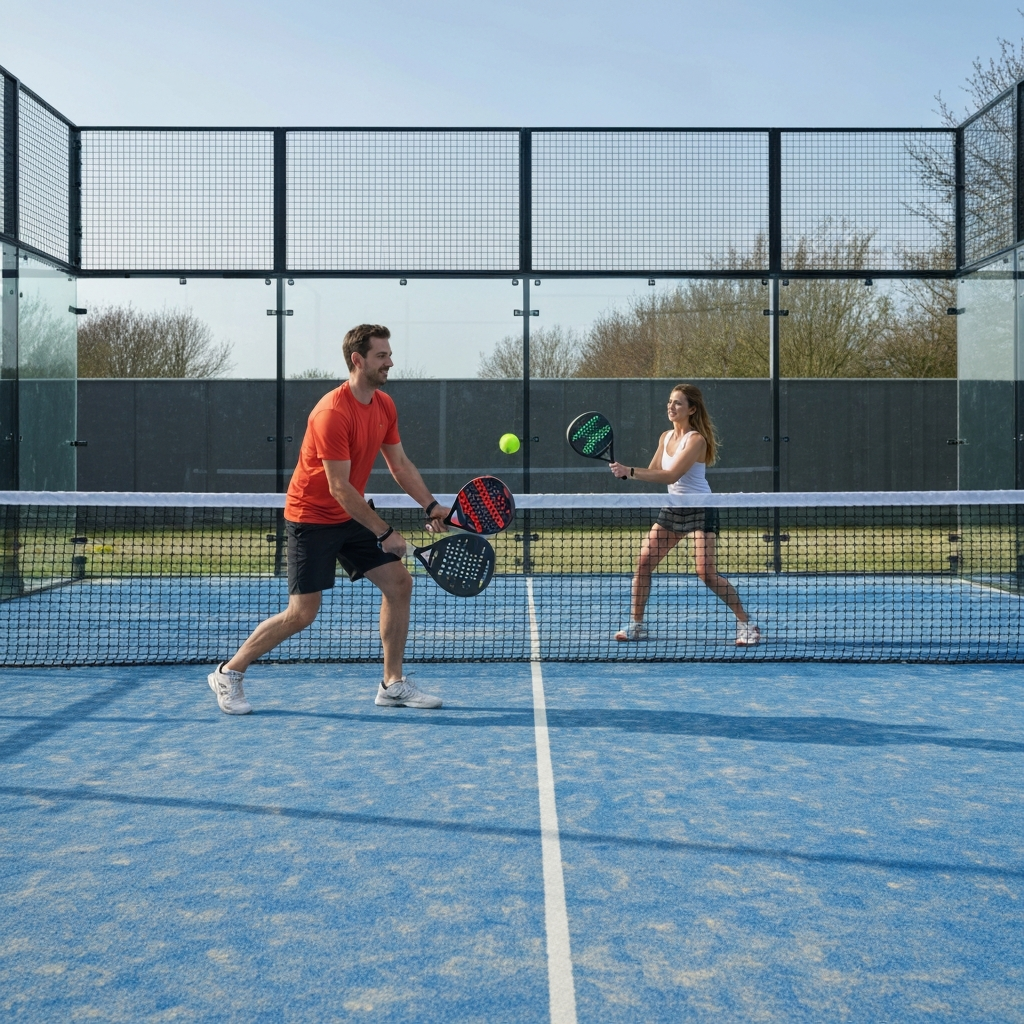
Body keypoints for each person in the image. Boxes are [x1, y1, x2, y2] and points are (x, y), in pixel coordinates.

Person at [207, 324, 450, 715]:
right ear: (358, 360)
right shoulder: (331, 414)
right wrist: (386, 532)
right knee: (302, 613)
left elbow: (400, 465)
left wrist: (430, 505)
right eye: (381, 356)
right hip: (312, 518)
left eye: (389, 354)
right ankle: (229, 672)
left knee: (399, 584)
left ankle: (393, 684)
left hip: (350, 513)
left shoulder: (384, 406)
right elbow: (338, 488)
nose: (390, 362)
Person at [609, 383, 760, 647]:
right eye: (669, 401)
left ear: (691, 409)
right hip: (673, 508)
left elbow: (671, 475)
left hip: (700, 508)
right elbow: (655, 471)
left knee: (706, 573)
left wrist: (630, 471)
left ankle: (747, 625)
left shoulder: (697, 440)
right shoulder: (665, 437)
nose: (671, 406)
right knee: (643, 563)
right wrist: (628, 471)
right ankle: (636, 625)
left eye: (677, 403)